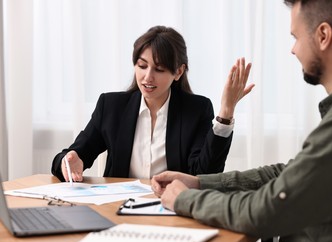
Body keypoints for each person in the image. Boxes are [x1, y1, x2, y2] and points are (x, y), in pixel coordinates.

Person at [151, 1, 332, 242]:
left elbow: (267, 211)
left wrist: (185, 199)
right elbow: (290, 174)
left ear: (323, 35)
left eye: (296, 37)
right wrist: (200, 183)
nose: (293, 50)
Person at [51, 25, 254, 182]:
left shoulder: (197, 110)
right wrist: (69, 163)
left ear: (178, 72)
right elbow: (68, 158)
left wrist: (226, 112)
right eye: (142, 66)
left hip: (172, 214)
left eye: (159, 69)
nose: (148, 77)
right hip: (118, 212)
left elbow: (205, 175)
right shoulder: (112, 107)